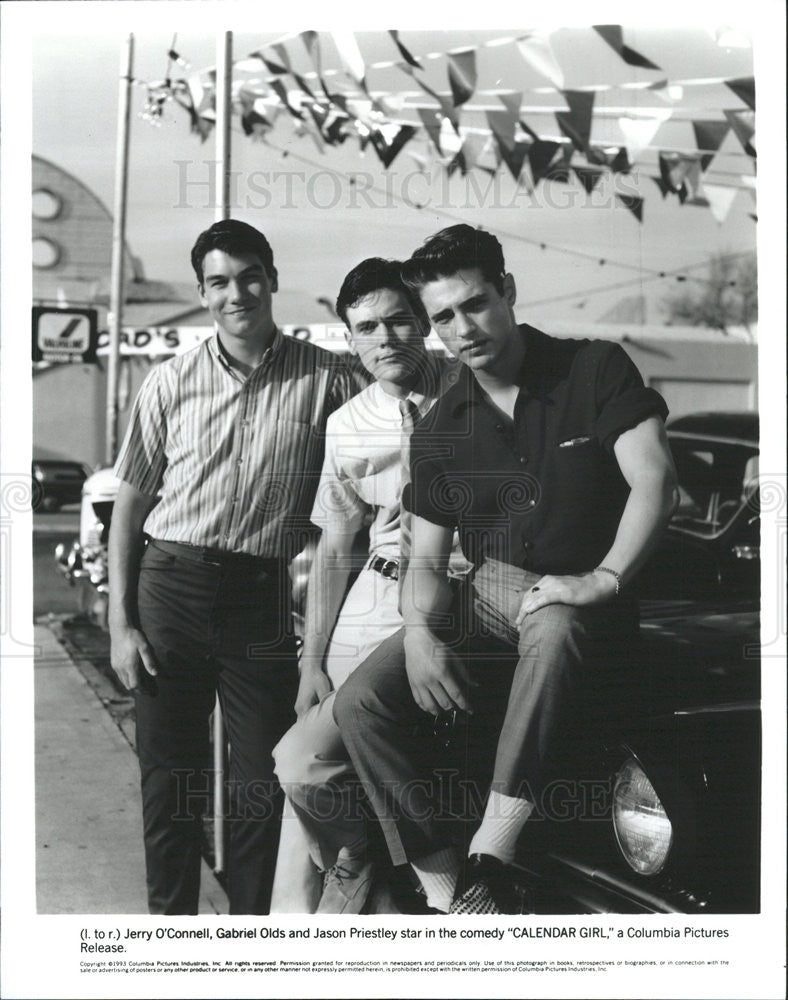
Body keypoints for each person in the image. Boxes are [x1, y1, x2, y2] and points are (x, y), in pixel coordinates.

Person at [333, 224, 679, 914]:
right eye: (443, 317)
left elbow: (656, 482)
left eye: (475, 304)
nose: (463, 328)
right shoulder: (440, 428)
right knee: (360, 701)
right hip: (488, 589)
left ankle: (495, 848)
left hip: (584, 593)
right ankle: (448, 892)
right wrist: (423, 634)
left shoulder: (595, 367)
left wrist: (604, 577)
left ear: (508, 292)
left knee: (552, 624)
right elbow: (425, 560)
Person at [108, 219, 353, 915]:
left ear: (272, 279)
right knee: (169, 780)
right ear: (203, 292)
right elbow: (130, 504)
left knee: (260, 783)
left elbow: (385, 434)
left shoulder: (328, 377)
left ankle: (247, 946)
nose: (236, 292)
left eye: (249, 276)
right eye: (219, 281)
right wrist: (120, 625)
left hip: (259, 598)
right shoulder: (168, 381)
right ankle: (173, 935)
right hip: (172, 587)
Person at [271, 257, 468, 914]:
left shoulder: (475, 391)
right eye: (366, 328)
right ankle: (349, 867)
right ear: (350, 339)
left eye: (397, 321)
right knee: (303, 759)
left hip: (465, 593)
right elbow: (335, 547)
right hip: (376, 593)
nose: (384, 339)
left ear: (423, 324)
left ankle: (401, 893)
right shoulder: (349, 423)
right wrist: (311, 663)